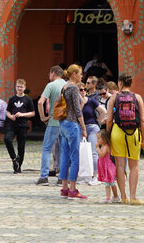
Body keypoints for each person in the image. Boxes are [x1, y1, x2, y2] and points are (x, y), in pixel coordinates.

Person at [107, 72, 144, 205]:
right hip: (133, 133)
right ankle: (133, 197)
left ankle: (123, 196)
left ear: (120, 83)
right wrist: (143, 138)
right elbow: (142, 120)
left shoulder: (114, 97)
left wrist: (108, 135)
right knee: (134, 166)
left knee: (120, 165)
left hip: (117, 132)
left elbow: (109, 120)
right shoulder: (138, 97)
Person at [58, 64, 89, 199]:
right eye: (80, 74)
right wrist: (83, 127)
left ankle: (64, 188)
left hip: (63, 123)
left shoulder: (64, 87)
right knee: (75, 157)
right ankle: (72, 189)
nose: (82, 76)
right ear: (74, 74)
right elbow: (77, 110)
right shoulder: (74, 88)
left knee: (65, 156)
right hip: (72, 123)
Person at [36, 65, 67, 185]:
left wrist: (43, 117)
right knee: (64, 150)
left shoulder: (50, 85)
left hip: (53, 121)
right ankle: (62, 178)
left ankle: (44, 177)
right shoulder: (68, 84)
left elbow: (40, 102)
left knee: (46, 148)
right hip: (65, 122)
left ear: (53, 73)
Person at [4, 79, 35, 173]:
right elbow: (7, 111)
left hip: (23, 125)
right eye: (17, 86)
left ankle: (18, 166)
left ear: (24, 88)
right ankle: (14, 158)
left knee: (21, 146)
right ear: (15, 87)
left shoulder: (28, 99)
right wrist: (10, 116)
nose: (19, 88)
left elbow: (32, 113)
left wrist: (22, 114)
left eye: (21, 87)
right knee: (7, 139)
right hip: (12, 124)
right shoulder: (12, 99)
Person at [82, 81, 102, 184]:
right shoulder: (77, 103)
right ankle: (86, 175)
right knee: (83, 152)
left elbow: (104, 111)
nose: (83, 91)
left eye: (84, 89)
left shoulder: (91, 101)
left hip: (92, 127)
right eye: (80, 90)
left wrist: (98, 120)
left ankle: (96, 175)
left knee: (94, 151)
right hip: (81, 128)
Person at [96, 129, 119, 203]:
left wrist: (97, 148)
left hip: (107, 167)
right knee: (110, 183)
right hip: (104, 166)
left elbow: (102, 155)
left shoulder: (105, 146)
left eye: (99, 138)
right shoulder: (103, 145)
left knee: (108, 183)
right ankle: (115, 196)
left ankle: (108, 198)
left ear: (104, 139)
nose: (97, 140)